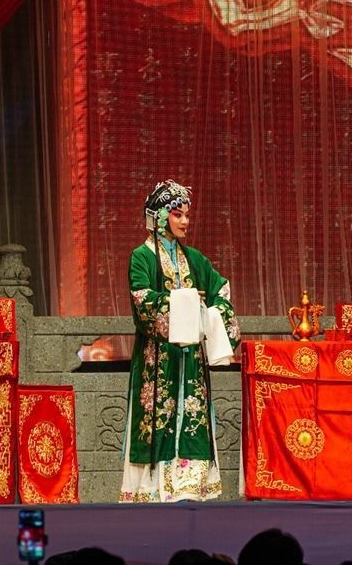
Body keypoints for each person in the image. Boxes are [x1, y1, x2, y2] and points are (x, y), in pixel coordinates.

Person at [120, 180, 241, 502]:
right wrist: (184, 300)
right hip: (156, 360)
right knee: (155, 420)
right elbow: (143, 302)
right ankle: (153, 491)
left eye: (187, 214)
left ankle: (189, 488)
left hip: (190, 362)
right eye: (177, 214)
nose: (185, 221)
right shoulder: (141, 257)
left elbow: (221, 292)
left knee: (192, 417)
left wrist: (209, 312)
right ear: (159, 217)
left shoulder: (196, 259)